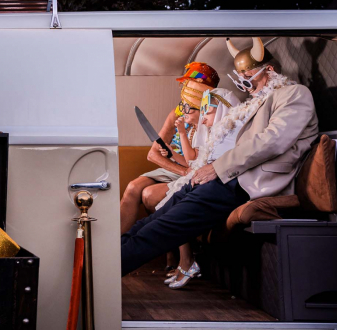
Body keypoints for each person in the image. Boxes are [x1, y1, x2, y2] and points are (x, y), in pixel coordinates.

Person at [121, 37, 319, 276]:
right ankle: (108, 253)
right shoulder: (256, 101)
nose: (246, 85)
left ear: (270, 70)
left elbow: (272, 141)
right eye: (241, 78)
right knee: (159, 215)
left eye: (250, 77)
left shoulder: (294, 94)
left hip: (246, 183)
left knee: (167, 226)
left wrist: (217, 168)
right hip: (228, 176)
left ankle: (107, 271)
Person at [120, 62, 220, 234]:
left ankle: (172, 255)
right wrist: (182, 170)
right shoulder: (178, 113)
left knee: (150, 195)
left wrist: (190, 170)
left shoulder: (213, 113)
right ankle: (115, 249)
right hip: (178, 166)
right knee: (132, 187)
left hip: (197, 166)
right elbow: (153, 154)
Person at [160, 87, 240, 288]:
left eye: (206, 113)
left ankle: (186, 262)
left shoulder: (228, 134)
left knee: (176, 206)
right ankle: (182, 261)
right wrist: (170, 154)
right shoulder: (208, 131)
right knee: (168, 204)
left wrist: (180, 133)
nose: (203, 118)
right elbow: (193, 162)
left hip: (221, 184)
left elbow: (193, 162)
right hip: (201, 176)